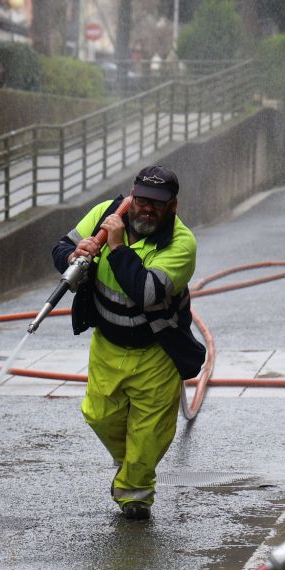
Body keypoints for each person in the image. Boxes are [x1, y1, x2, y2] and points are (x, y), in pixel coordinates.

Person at [50, 166, 204, 521]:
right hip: (108, 344)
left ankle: (135, 495)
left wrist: (115, 246)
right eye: (142, 200)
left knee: (149, 434)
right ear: (131, 196)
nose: (148, 209)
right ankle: (131, 463)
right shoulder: (106, 214)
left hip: (156, 353)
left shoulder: (181, 244)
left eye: (158, 204)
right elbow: (60, 246)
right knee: (99, 415)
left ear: (173, 206)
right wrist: (76, 256)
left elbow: (146, 292)